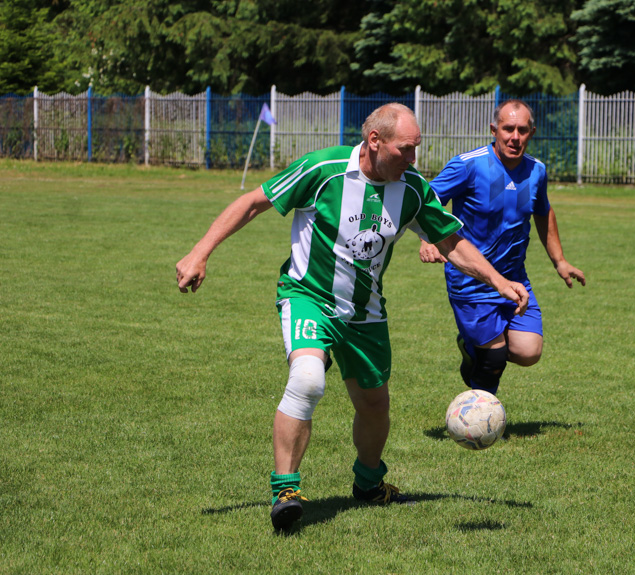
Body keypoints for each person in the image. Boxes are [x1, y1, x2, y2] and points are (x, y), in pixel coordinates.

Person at [175, 103, 529, 532]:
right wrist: (200, 252)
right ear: (374, 141)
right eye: (406, 150)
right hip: (309, 296)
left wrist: (497, 280)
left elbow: (451, 240)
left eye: (417, 149)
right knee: (307, 378)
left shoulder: (412, 189)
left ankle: (368, 483)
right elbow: (254, 203)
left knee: (375, 406)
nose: (414, 160)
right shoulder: (322, 169)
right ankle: (285, 490)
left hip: (366, 314)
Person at [418, 99, 585, 396]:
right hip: (471, 279)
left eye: (522, 130)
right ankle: (481, 416)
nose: (515, 137)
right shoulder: (468, 165)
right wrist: (428, 238)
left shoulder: (536, 171)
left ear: (531, 133)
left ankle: (472, 346)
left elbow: (544, 212)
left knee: (528, 351)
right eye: (508, 129)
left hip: (514, 279)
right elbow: (427, 199)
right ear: (494, 130)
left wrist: (559, 261)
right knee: (493, 358)